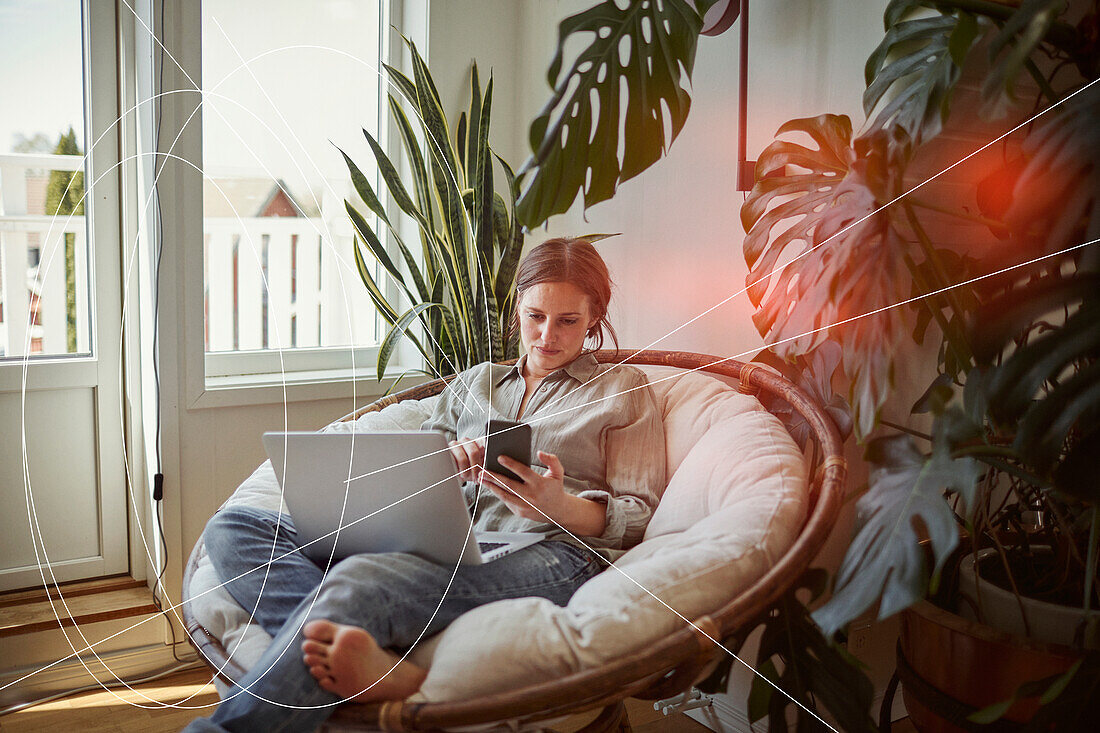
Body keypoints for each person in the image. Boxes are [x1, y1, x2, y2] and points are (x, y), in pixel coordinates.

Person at [184, 238, 666, 732]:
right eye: (535, 315)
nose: (546, 336)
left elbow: (639, 513)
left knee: (364, 580)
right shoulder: (475, 382)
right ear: (517, 306)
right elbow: (415, 471)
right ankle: (376, 658)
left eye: (568, 320)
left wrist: (558, 505)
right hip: (445, 541)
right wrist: (444, 464)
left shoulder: (624, 390)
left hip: (554, 554)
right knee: (235, 527)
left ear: (594, 318)